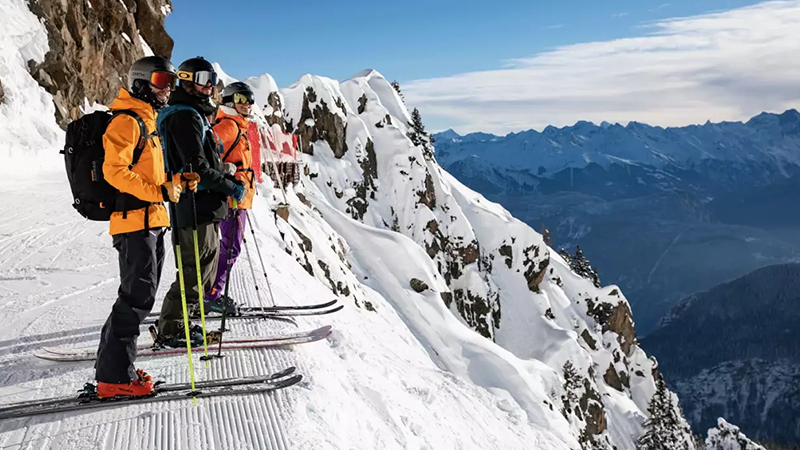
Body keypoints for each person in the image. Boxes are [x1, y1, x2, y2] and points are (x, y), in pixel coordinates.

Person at [95, 56, 197, 397]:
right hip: (135, 223)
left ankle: (115, 368)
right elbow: (114, 171)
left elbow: (148, 174)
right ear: (140, 81)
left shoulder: (146, 121)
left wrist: (176, 181)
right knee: (135, 299)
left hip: (150, 221)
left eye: (169, 80)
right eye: (159, 79)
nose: (166, 87)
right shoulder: (127, 121)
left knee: (138, 297)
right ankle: (114, 380)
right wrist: (158, 191)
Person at [155, 57, 246, 347]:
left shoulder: (195, 115)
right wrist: (231, 187)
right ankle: (171, 329)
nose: (211, 86)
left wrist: (227, 174)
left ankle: (181, 323)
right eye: (204, 79)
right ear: (187, 80)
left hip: (204, 207)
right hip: (194, 205)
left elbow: (207, 163)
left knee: (203, 272)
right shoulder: (184, 116)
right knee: (194, 273)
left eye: (212, 80)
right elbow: (197, 168)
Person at [205, 82, 257, 308]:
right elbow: (206, 151)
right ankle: (212, 294)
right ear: (229, 101)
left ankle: (211, 291)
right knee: (230, 247)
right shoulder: (229, 126)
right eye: (241, 99)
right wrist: (225, 171)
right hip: (231, 198)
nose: (247, 104)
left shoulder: (238, 126)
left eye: (250, 99)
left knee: (227, 246)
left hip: (238, 197)